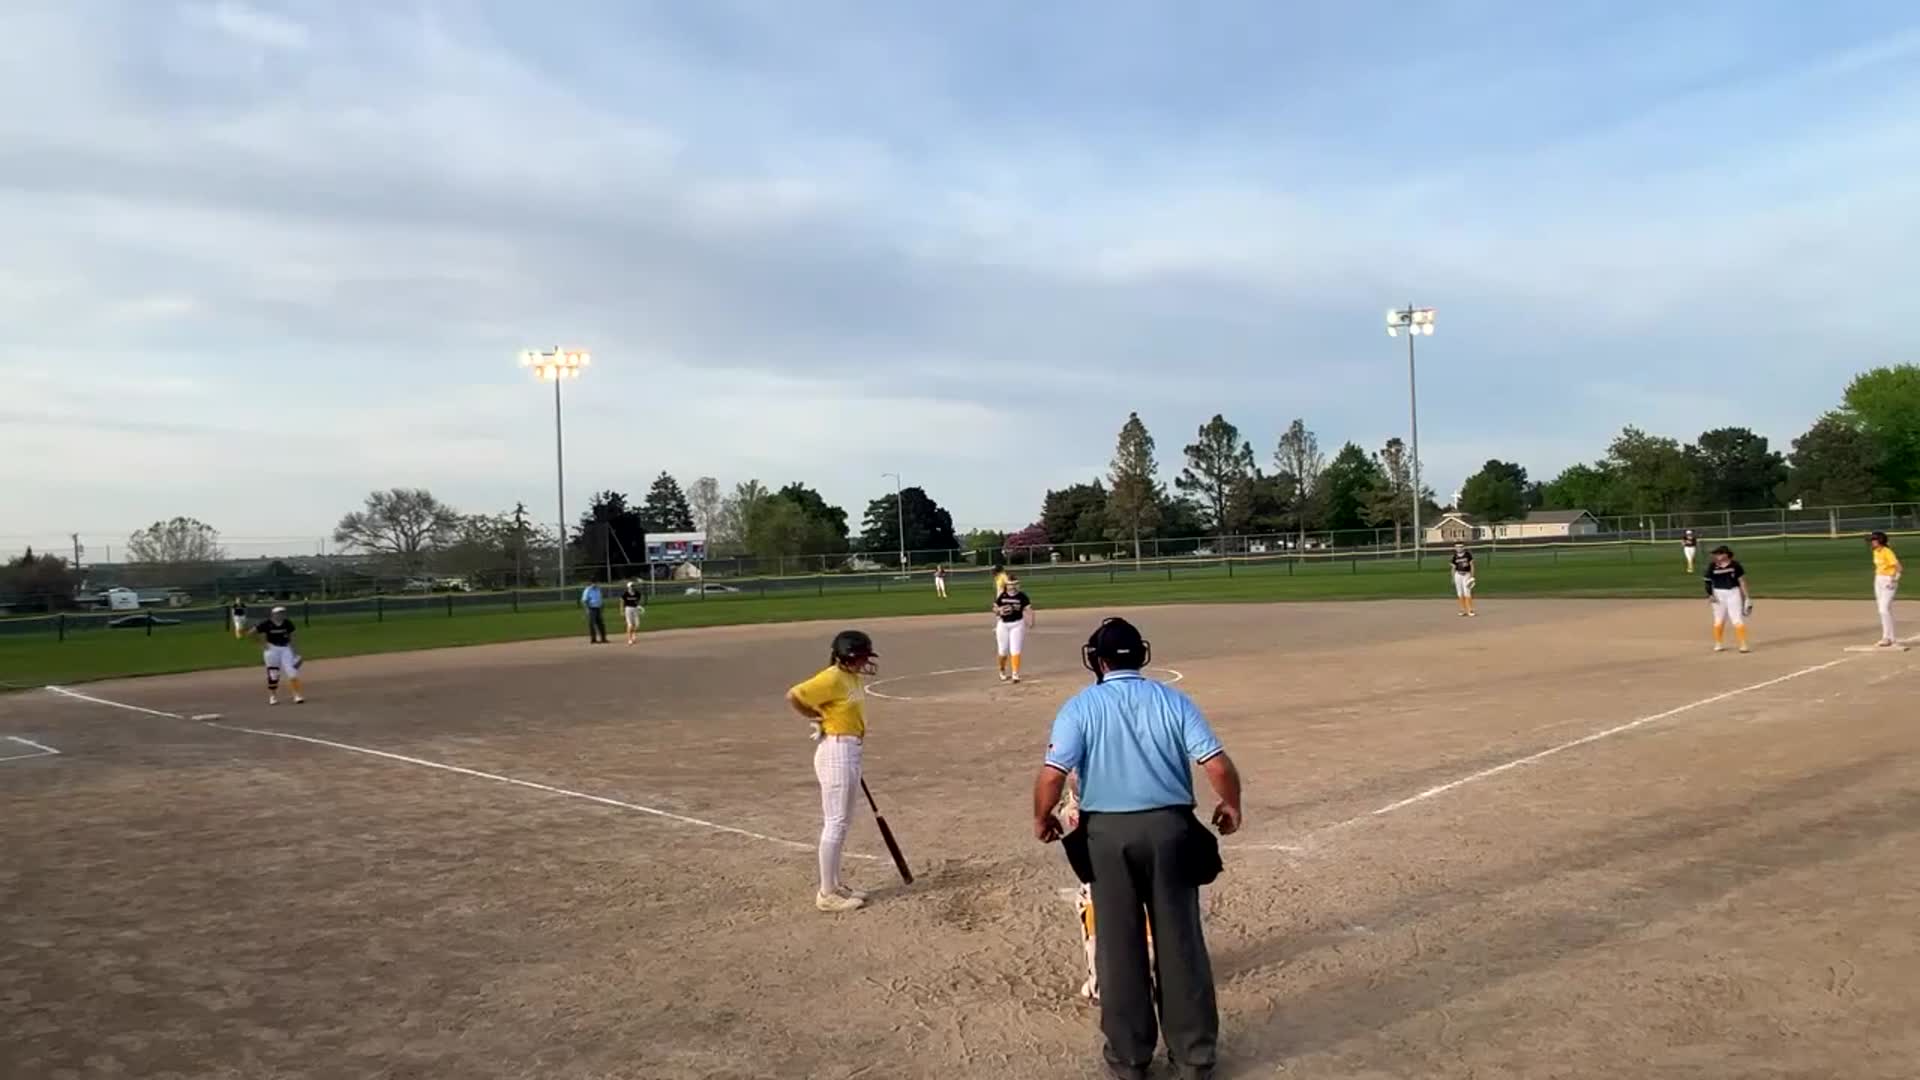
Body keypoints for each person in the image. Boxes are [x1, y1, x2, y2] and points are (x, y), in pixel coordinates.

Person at [1035, 617, 1242, 1080]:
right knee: (1181, 943)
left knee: (1118, 946)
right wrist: (1231, 804)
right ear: (1142, 656)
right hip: (1170, 829)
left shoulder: (1080, 706)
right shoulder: (1173, 700)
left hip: (1106, 835)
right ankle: (1194, 1058)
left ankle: (1129, 1059)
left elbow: (1052, 775)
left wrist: (1041, 816)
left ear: (1098, 660)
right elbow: (1217, 763)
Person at [785, 630, 880, 913]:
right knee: (836, 823)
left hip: (849, 748)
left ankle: (835, 884)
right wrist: (814, 718)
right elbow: (794, 695)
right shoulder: (832, 677)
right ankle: (826, 893)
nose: (863, 663)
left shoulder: (851, 677)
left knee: (842, 821)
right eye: (859, 658)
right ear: (844, 658)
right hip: (836, 750)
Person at [251, 605, 305, 705]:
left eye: (282, 613)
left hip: (285, 648)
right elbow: (252, 632)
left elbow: (292, 637)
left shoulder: (287, 623)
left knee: (292, 672)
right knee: (273, 674)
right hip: (272, 650)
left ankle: (297, 695)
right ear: (273, 614)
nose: (281, 614)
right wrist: (262, 645)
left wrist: (295, 652)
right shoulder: (267, 623)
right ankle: (273, 696)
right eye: (279, 613)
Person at [1704, 545, 1751, 653]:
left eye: (1719, 553)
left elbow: (1742, 581)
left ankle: (1743, 644)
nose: (1717, 555)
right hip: (1718, 593)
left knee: (1737, 619)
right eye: (1716, 554)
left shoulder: (1735, 565)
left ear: (1726, 554)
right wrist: (1710, 595)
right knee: (1719, 620)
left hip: (1733, 593)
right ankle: (1718, 643)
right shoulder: (1712, 566)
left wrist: (1747, 597)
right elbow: (1707, 582)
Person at [994, 574, 1035, 682]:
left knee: (1015, 650)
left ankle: (1015, 673)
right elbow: (995, 608)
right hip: (1003, 625)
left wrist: (1030, 620)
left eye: (1014, 584)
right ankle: (1002, 670)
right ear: (1006, 585)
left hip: (1017, 624)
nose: (1012, 587)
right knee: (1002, 651)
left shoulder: (1022, 596)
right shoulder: (1002, 596)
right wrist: (999, 611)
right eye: (1010, 585)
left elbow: (1028, 609)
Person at [1870, 531, 1902, 647]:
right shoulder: (1875, 552)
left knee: (1883, 609)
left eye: (1874, 540)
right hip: (1878, 580)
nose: (1872, 542)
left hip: (1888, 581)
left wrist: (1894, 580)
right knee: (1884, 609)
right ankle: (1891, 638)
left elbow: (1899, 567)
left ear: (1880, 541)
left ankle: (1886, 638)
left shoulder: (1887, 552)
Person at [1449, 543, 1477, 617]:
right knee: (1460, 593)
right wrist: (1452, 577)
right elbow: (1453, 568)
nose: (1459, 548)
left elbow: (1472, 565)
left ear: (1463, 547)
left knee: (1467, 592)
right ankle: (1462, 610)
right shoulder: (1454, 556)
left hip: (1466, 575)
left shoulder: (1468, 555)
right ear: (1455, 548)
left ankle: (1470, 610)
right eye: (1457, 547)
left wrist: (1472, 576)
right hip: (1458, 575)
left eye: (1460, 547)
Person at [620, 580, 645, 645]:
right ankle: (629, 639)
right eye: (631, 586)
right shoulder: (625, 594)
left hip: (635, 609)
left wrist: (639, 607)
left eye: (633, 586)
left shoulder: (637, 593)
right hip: (628, 609)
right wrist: (621, 610)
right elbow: (622, 602)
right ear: (628, 587)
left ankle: (633, 633)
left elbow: (637, 602)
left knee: (637, 625)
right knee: (630, 625)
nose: (632, 587)